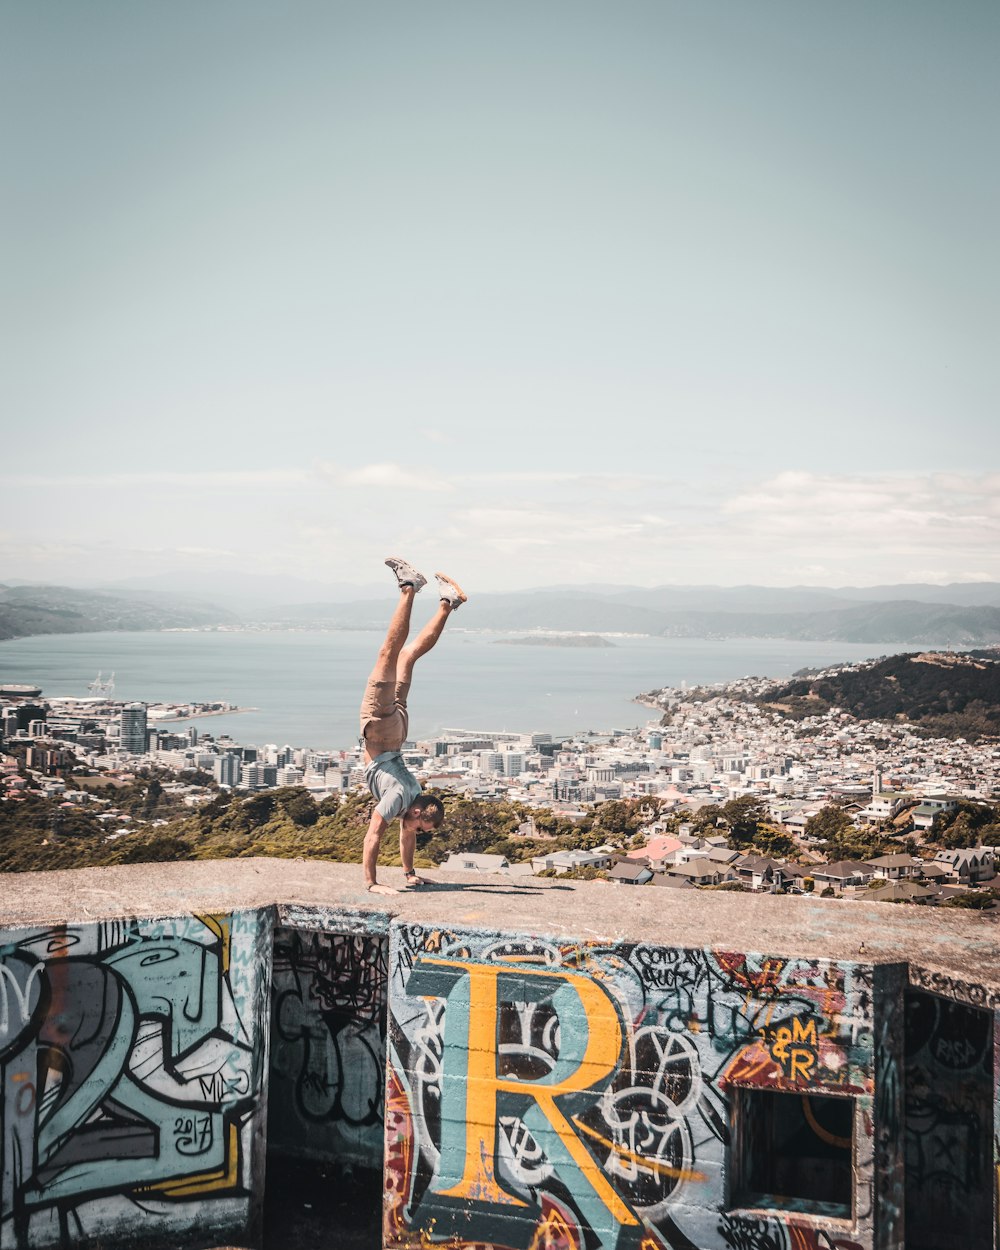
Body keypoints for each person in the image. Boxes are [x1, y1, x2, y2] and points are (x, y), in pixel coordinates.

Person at [360, 557, 467, 894]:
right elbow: (374, 833)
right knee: (388, 656)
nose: (416, 832)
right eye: (422, 828)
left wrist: (409, 874)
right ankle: (409, 588)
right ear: (420, 811)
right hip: (382, 730)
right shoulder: (401, 799)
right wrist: (372, 884)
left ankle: (448, 603)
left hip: (397, 733)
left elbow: (401, 833)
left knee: (405, 658)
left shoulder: (414, 796)